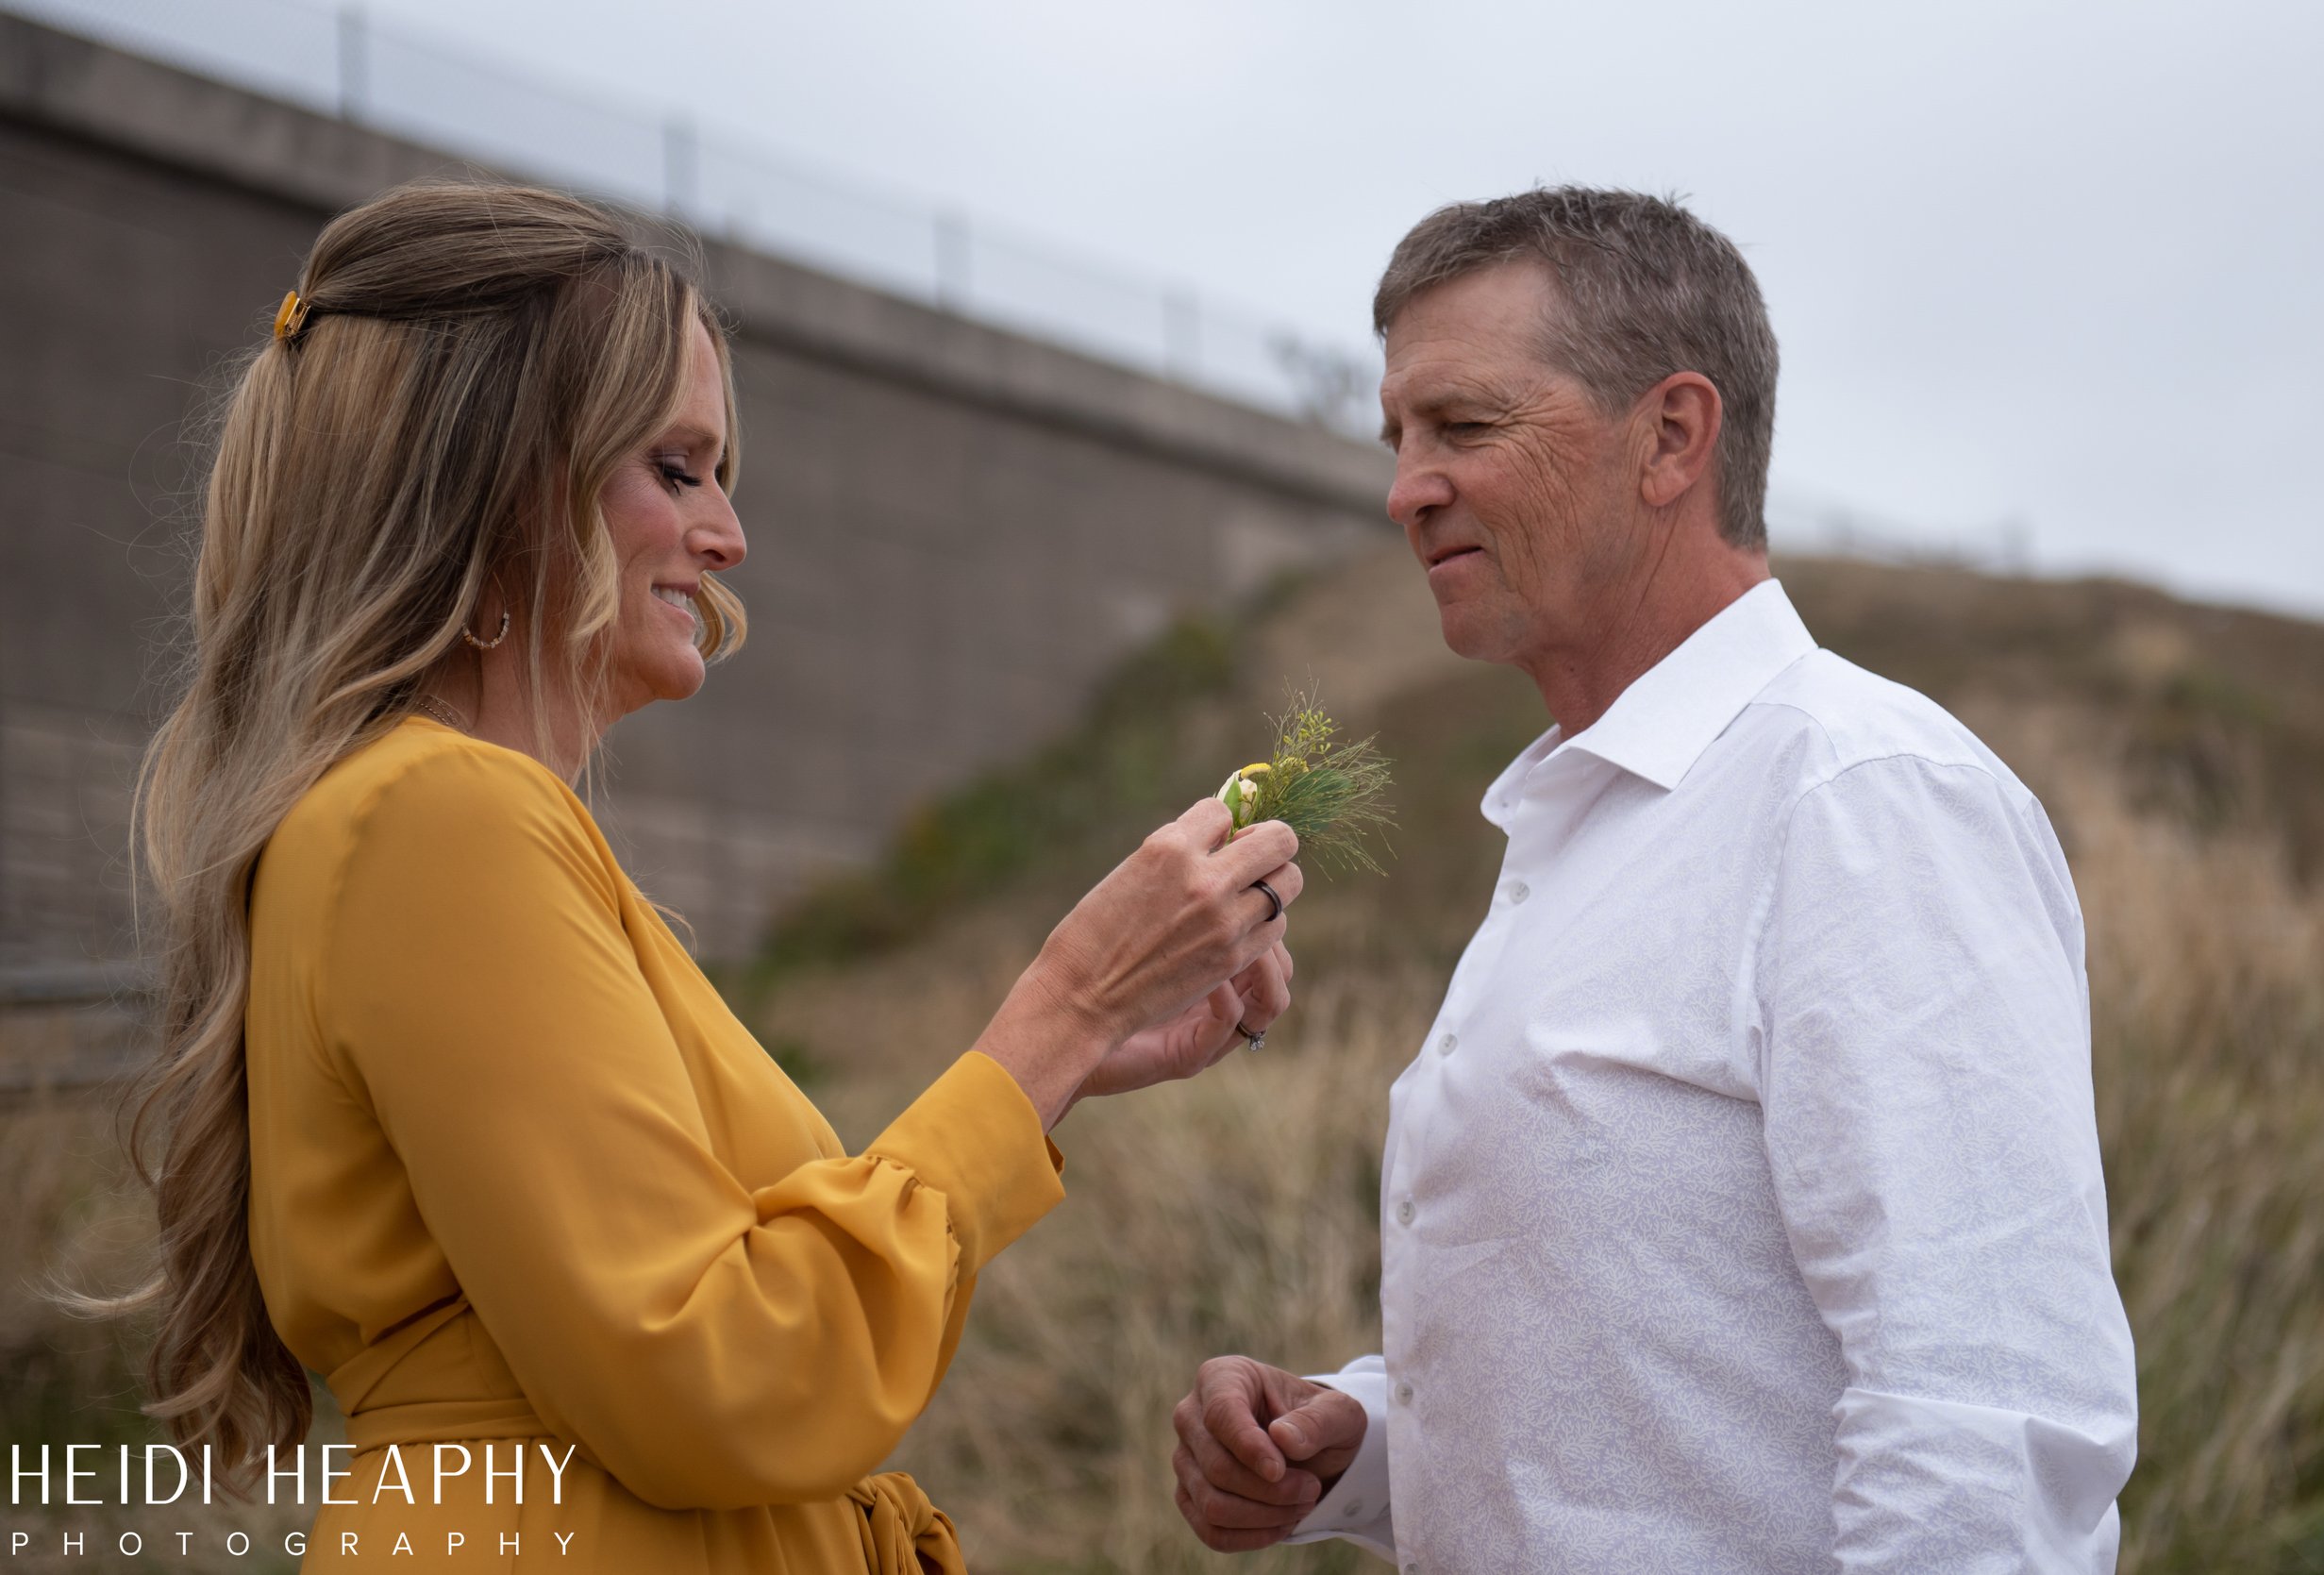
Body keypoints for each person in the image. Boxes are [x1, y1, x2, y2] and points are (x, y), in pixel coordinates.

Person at [125, 180, 1301, 1574]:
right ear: (507, 482)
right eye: (675, 471)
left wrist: (1076, 1047)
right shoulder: (439, 819)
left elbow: (707, 1291)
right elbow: (726, 1367)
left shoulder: (445, 825)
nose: (729, 536)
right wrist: (1061, 999)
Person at [1170, 187, 2138, 1572]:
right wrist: (1366, 1438)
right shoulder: (1592, 824)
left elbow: (1987, 1421)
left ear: (1672, 437)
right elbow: (1662, 1371)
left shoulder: (1857, 796)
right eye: (1397, 436)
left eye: (1465, 425)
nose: (1404, 488)